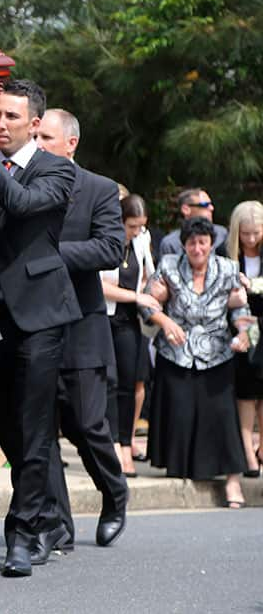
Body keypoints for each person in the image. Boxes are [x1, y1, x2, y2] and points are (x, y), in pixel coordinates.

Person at [0, 79, 80, 577]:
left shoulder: (56, 171)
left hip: (40, 317)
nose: (0, 124)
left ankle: (23, 533)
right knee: (7, 428)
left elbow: (22, 203)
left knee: (34, 428)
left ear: (34, 123)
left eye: (11, 116)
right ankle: (48, 515)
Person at [34, 108, 128, 556]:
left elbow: (111, 248)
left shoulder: (98, 189)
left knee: (88, 424)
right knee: (41, 429)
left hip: (82, 324)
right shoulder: (24, 186)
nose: (40, 143)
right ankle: (57, 526)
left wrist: (50, 254)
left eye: (48, 137)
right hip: (34, 322)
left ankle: (115, 493)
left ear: (71, 143)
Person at [141, 217, 251, 508]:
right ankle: (184, 469)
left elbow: (243, 312)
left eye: (203, 242)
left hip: (217, 351)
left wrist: (243, 334)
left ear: (211, 243)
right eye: (191, 243)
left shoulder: (228, 269)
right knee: (180, 410)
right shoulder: (167, 265)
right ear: (183, 245)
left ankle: (233, 482)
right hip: (176, 350)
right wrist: (163, 320)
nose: (197, 248)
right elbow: (146, 303)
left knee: (223, 416)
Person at [101, 195, 158, 477]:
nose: (136, 231)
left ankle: (126, 442)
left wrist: (148, 294)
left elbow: (150, 275)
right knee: (108, 382)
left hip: (128, 319)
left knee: (128, 381)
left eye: (141, 226)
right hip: (103, 317)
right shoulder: (106, 237)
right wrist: (136, 295)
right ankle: (111, 443)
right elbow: (100, 286)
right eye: (132, 226)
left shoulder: (141, 241)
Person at [225, 200, 263, 477]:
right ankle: (248, 454)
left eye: (256, 233)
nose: (250, 239)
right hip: (238, 333)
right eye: (245, 233)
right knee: (246, 395)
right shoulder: (225, 256)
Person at [158, 188, 228, 257]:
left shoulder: (222, 234)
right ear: (185, 209)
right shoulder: (170, 243)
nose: (211, 208)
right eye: (205, 205)